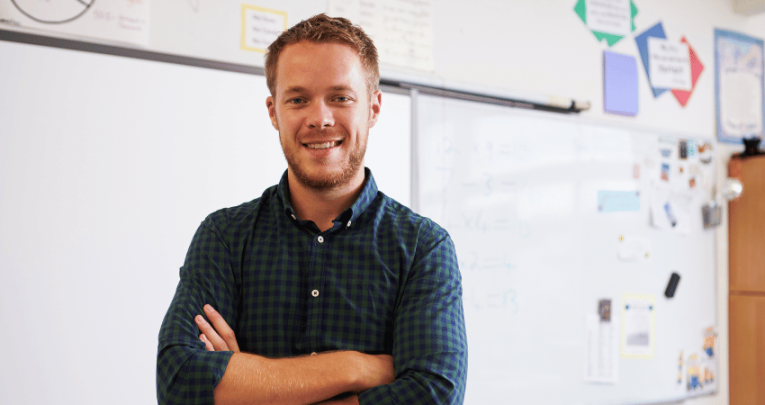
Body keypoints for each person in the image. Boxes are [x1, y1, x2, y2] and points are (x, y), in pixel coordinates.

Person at [156, 14, 467, 405]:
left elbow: (434, 395)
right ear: (274, 111)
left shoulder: (423, 247)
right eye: (299, 99)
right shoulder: (224, 236)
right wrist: (356, 367)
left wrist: (246, 385)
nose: (320, 118)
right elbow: (178, 383)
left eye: (340, 97)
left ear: (373, 108)